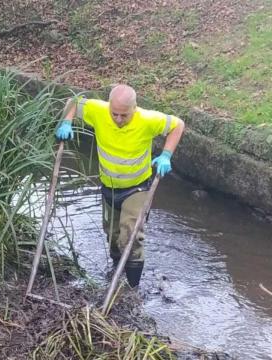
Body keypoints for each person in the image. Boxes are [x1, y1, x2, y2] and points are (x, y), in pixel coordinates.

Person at [55, 84, 184, 288]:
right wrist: (66, 122)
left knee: (131, 237)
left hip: (137, 188)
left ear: (134, 108)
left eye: (124, 115)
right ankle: (115, 276)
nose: (118, 119)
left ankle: (133, 290)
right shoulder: (98, 111)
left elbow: (178, 125)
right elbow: (72, 102)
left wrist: (166, 155)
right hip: (109, 187)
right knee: (114, 237)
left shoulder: (148, 120)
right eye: (114, 114)